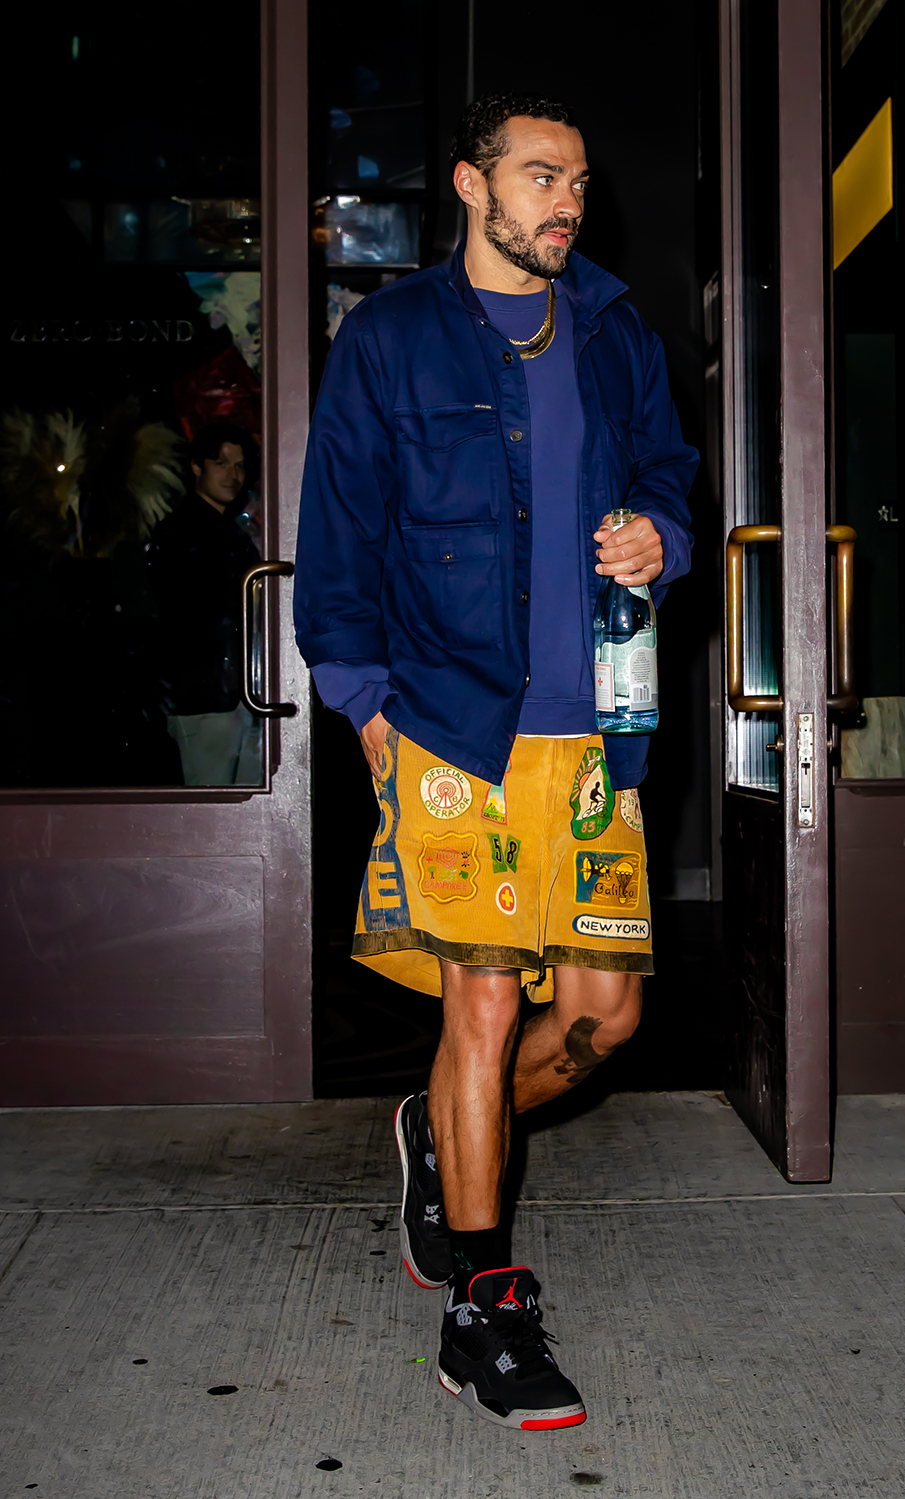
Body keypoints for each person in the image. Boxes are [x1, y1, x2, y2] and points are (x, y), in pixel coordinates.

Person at [294, 92, 698, 1430]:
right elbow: (339, 535)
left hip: (592, 737)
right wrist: (361, 704)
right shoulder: (392, 339)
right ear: (472, 184)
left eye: (576, 178)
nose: (565, 199)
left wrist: (658, 535)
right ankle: (487, 1305)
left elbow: (666, 477)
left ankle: (434, 1130)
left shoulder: (615, 329)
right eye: (538, 175)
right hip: (452, 728)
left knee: (597, 1020)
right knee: (479, 1000)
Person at [148, 422, 262, 786]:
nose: (233, 475)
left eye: (240, 465)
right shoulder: (181, 533)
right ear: (197, 467)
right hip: (205, 698)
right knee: (212, 810)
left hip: (238, 693)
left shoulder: (228, 532)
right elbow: (183, 618)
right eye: (221, 463)